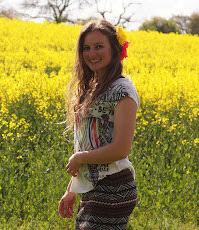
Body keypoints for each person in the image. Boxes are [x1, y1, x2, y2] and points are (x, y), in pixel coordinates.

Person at [58, 19, 140, 230]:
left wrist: (80, 158)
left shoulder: (123, 91)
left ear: (114, 49)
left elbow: (121, 149)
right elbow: (87, 144)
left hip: (114, 187)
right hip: (93, 188)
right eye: (86, 48)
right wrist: (73, 189)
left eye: (99, 46)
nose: (91, 53)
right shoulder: (91, 88)